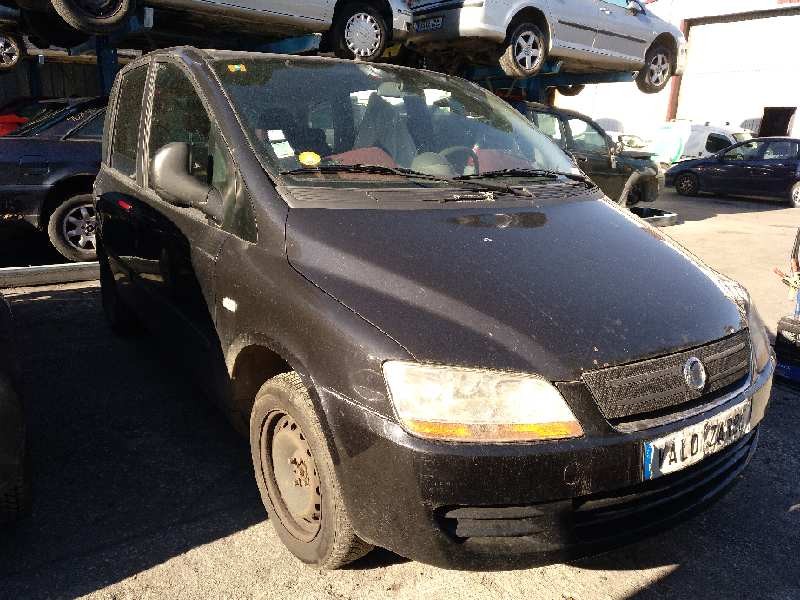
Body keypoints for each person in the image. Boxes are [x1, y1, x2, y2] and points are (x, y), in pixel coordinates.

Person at [774, 228, 800, 317]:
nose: (793, 266)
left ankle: (796, 315)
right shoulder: (796, 275)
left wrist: (779, 273)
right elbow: (791, 281)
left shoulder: (796, 276)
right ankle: (796, 315)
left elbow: (792, 282)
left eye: (793, 265)